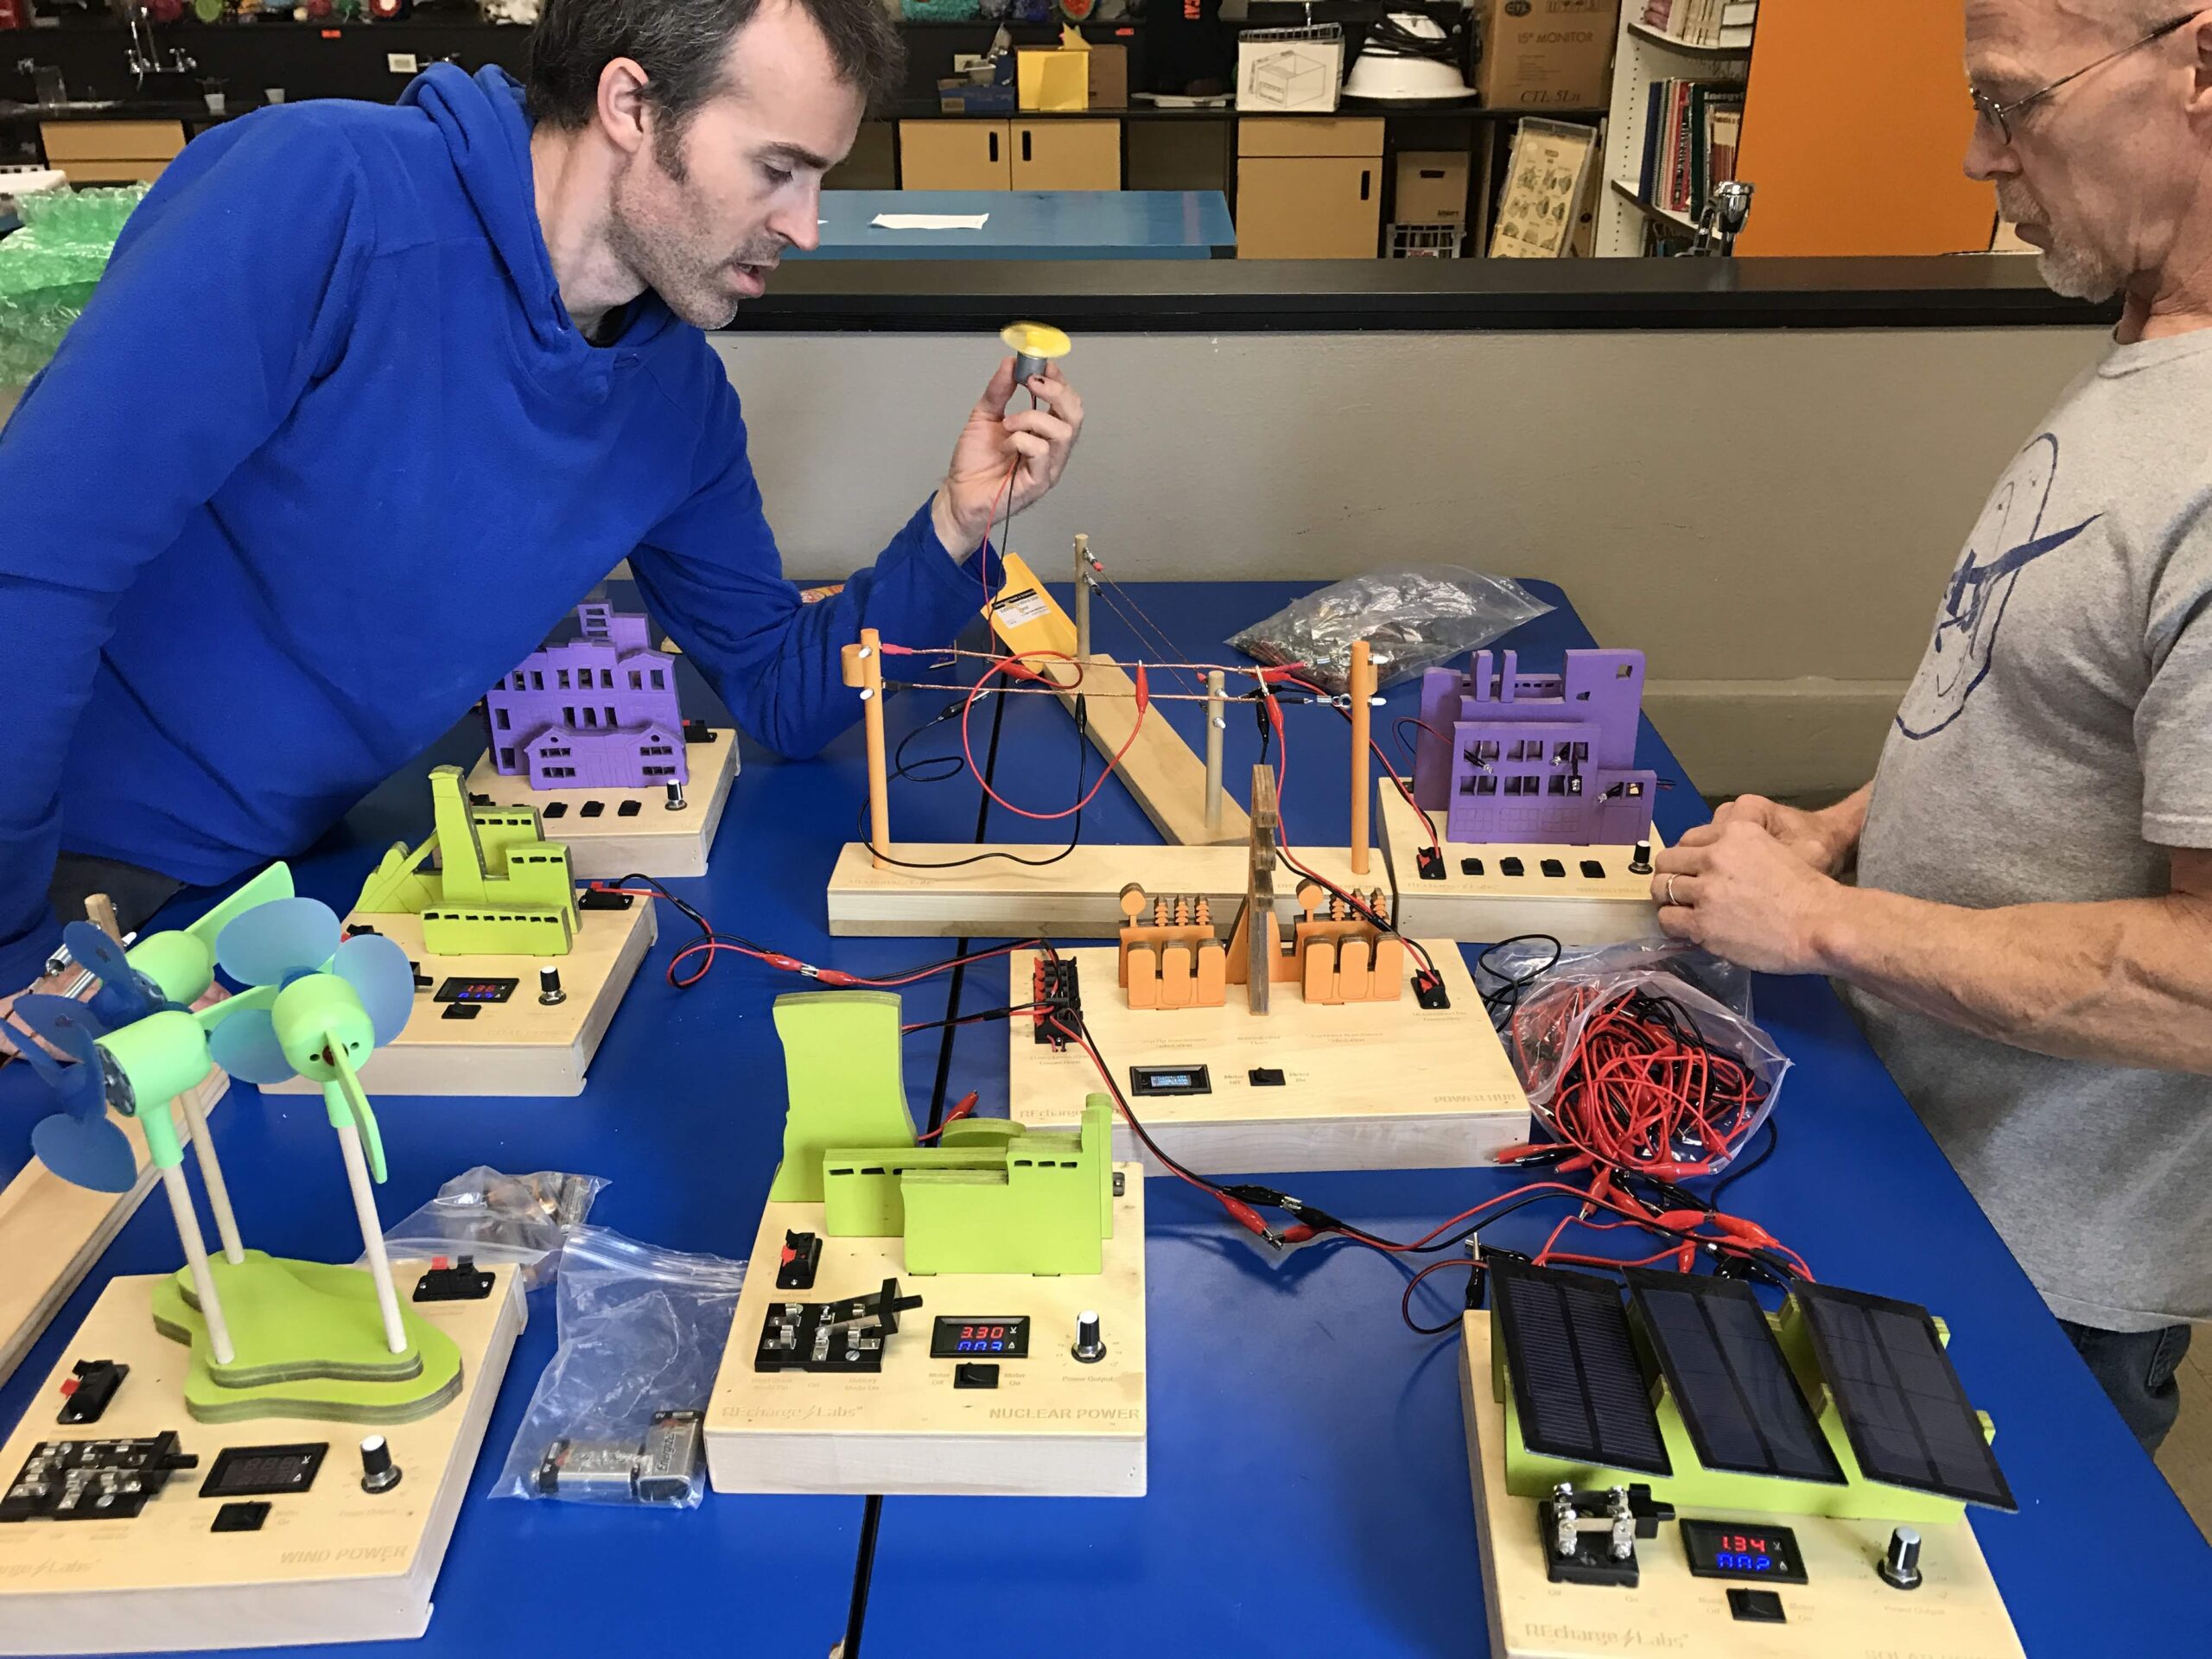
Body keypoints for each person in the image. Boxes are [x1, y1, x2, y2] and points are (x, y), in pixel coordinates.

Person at [0, 0, 1083, 1017]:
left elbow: (787, 694)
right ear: (630, 106)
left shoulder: (675, 402)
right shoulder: (325, 195)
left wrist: (958, 521)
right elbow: (32, 567)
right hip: (55, 875)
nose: (805, 227)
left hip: (268, 886)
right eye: (777, 170)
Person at [1649, 0, 2211, 1453]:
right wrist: (1845, 833)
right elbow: (2045, 723)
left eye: (2014, 102)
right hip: (1915, 1162)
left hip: (2035, 1283)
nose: (1976, 157)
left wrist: (1827, 927)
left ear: (2199, 64)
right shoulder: (2152, 362)